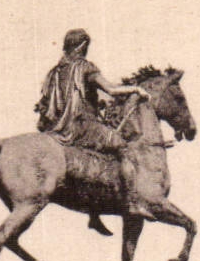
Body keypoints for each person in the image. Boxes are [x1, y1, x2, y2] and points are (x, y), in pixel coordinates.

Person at [34, 27, 151, 226]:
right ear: (82, 46)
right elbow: (112, 90)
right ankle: (132, 201)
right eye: (86, 46)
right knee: (124, 148)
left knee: (94, 162)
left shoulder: (54, 72)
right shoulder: (85, 68)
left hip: (57, 128)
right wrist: (136, 89)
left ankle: (94, 213)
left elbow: (46, 104)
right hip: (83, 127)